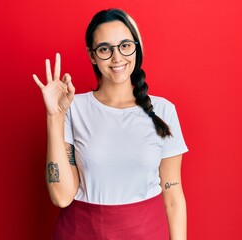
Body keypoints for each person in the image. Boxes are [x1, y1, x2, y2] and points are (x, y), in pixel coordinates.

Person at [33, 8, 188, 240]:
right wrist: (54, 116)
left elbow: (173, 195)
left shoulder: (164, 110)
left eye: (125, 45)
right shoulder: (73, 107)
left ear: (137, 47)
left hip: (146, 232)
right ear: (92, 55)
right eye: (105, 49)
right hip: (81, 232)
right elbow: (61, 197)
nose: (117, 58)